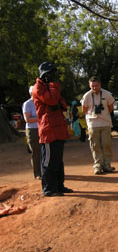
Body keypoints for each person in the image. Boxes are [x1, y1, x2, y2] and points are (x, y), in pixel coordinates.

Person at [32, 61, 73, 197]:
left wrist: (57, 103)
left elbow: (63, 104)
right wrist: (54, 88)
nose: (53, 75)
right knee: (49, 161)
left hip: (58, 127)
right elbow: (52, 101)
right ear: (44, 74)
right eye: (50, 73)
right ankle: (49, 189)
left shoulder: (49, 87)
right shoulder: (38, 88)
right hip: (48, 129)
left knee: (58, 160)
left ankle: (59, 186)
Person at [81, 77, 115, 175]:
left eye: (96, 86)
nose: (95, 88)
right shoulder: (87, 96)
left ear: (100, 84)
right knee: (95, 146)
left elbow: (111, 108)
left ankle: (107, 165)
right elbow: (84, 110)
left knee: (106, 145)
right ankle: (98, 165)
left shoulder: (107, 94)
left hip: (105, 123)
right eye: (92, 86)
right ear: (89, 86)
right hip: (92, 124)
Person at [22, 86, 41, 180]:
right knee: (36, 151)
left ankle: (44, 170)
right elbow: (28, 120)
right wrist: (40, 119)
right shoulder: (27, 104)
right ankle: (37, 172)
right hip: (32, 130)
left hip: (42, 129)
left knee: (44, 151)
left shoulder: (41, 102)